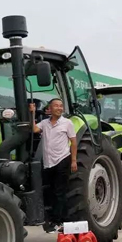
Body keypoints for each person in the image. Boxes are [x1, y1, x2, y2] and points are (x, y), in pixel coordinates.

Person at [30, 98, 77, 233]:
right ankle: (54, 220)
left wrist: (73, 160)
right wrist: (32, 113)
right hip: (49, 162)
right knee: (51, 191)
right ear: (50, 109)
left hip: (63, 159)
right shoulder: (45, 123)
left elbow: (73, 142)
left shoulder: (67, 123)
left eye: (61, 106)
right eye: (56, 106)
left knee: (59, 191)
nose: (59, 108)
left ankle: (59, 221)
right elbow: (34, 129)